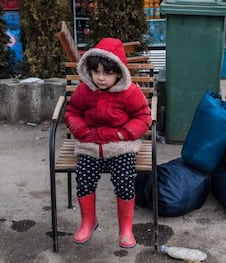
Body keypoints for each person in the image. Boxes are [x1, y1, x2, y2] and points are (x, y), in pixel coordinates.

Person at [64, 37, 152, 248]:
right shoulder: (85, 90)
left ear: (119, 72)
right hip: (90, 143)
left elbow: (144, 117)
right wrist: (81, 130)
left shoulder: (129, 92)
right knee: (84, 177)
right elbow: (72, 112)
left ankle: (126, 228)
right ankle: (88, 221)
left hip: (120, 145)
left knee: (124, 180)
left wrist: (124, 134)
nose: (100, 78)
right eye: (96, 72)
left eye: (107, 72)